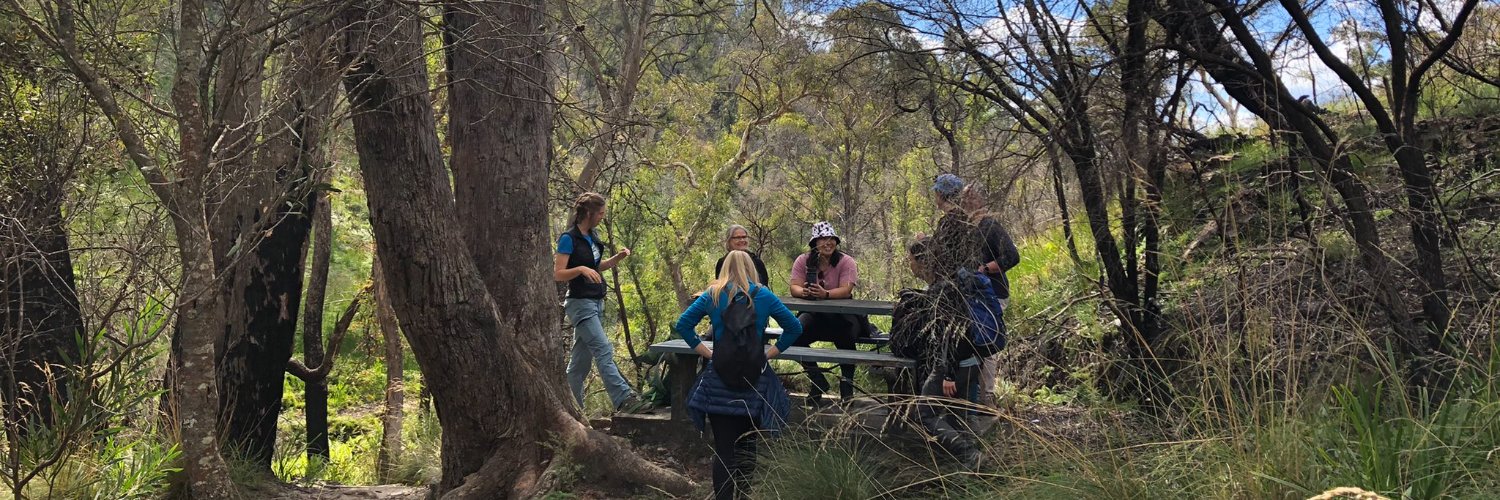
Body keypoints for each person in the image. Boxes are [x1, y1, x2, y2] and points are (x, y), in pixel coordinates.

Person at [674, 251, 804, 500]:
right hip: (754, 380)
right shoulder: (763, 295)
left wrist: (707, 353)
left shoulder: (712, 294)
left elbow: (683, 324)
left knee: (724, 451)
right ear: (751, 268)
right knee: (748, 446)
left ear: (724, 268)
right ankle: (744, 495)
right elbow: (794, 327)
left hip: (718, 379)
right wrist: (769, 354)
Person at [554, 192, 651, 413]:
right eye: (600, 213)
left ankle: (573, 411)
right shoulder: (569, 238)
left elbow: (595, 266)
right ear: (588, 213)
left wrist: (617, 258)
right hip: (580, 304)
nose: (602, 217)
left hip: (596, 302)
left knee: (579, 365)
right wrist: (580, 269)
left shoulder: (592, 236)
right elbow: (558, 273)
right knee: (603, 349)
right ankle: (624, 399)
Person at [788, 221, 861, 406]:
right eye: (822, 239)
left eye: (831, 239)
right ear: (815, 243)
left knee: (846, 337)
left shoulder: (846, 261)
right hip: (814, 313)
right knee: (794, 334)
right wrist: (804, 292)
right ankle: (817, 380)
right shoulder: (803, 260)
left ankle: (847, 388)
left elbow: (846, 290)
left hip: (842, 314)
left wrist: (826, 294)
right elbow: (794, 286)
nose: (828, 243)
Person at [962, 184, 1019, 408]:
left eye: (970, 197)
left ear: (980, 200)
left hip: (993, 294)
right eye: (963, 197)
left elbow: (1012, 256)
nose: (965, 201)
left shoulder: (991, 226)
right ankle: (974, 396)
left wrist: (985, 269)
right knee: (973, 342)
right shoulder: (969, 227)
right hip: (975, 295)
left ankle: (987, 399)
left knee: (986, 344)